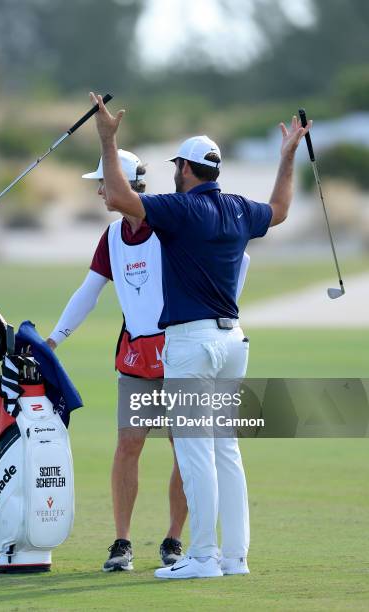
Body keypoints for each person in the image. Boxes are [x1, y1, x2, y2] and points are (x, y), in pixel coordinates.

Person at [89, 91, 312, 580]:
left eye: (177, 166)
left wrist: (108, 142)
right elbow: (279, 209)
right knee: (225, 451)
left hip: (191, 345)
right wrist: (288, 156)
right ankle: (236, 557)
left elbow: (122, 199)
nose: (174, 172)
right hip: (234, 344)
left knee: (195, 453)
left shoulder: (180, 209)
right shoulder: (238, 209)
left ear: (186, 169)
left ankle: (203, 557)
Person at [47, 149, 251, 573]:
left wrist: (221, 313)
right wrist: (55, 339)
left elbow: (238, 260)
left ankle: (175, 540)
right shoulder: (112, 236)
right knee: (129, 444)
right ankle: (122, 542)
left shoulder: (170, 224)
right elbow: (90, 289)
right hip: (137, 356)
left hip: (182, 349)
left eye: (103, 182)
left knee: (185, 450)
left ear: (122, 183)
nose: (100, 190)